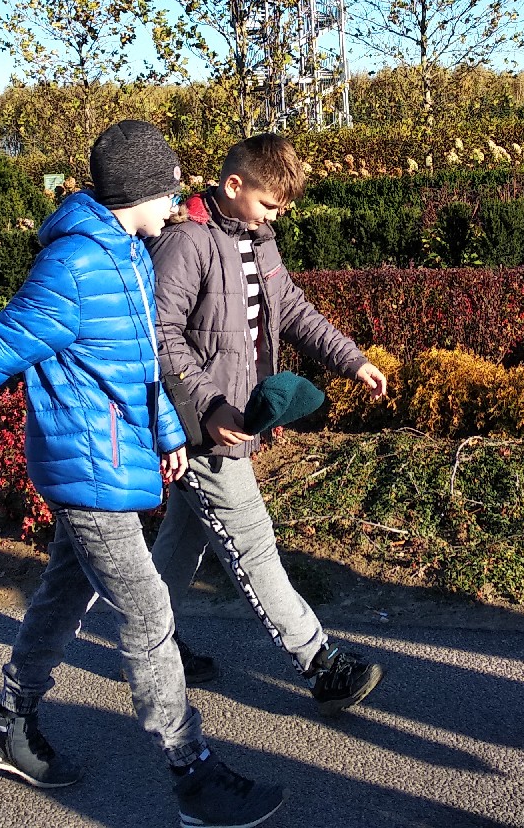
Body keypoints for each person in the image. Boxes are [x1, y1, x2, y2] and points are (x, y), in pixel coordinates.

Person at [0, 120, 284, 828]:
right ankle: (192, 773)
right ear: (139, 191)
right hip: (87, 467)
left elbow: (139, 362)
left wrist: (165, 432)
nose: (178, 201)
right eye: (170, 189)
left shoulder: (130, 254)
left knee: (64, 595)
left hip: (112, 458)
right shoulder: (73, 269)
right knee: (148, 612)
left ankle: (9, 726)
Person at [147, 133, 389, 714]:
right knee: (252, 545)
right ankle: (320, 662)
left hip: (235, 418)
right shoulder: (187, 241)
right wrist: (208, 405)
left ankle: (153, 646)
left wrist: (351, 360)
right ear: (233, 185)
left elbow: (293, 310)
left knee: (182, 539)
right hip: (204, 425)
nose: (275, 216)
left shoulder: (258, 239)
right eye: (269, 204)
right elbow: (158, 334)